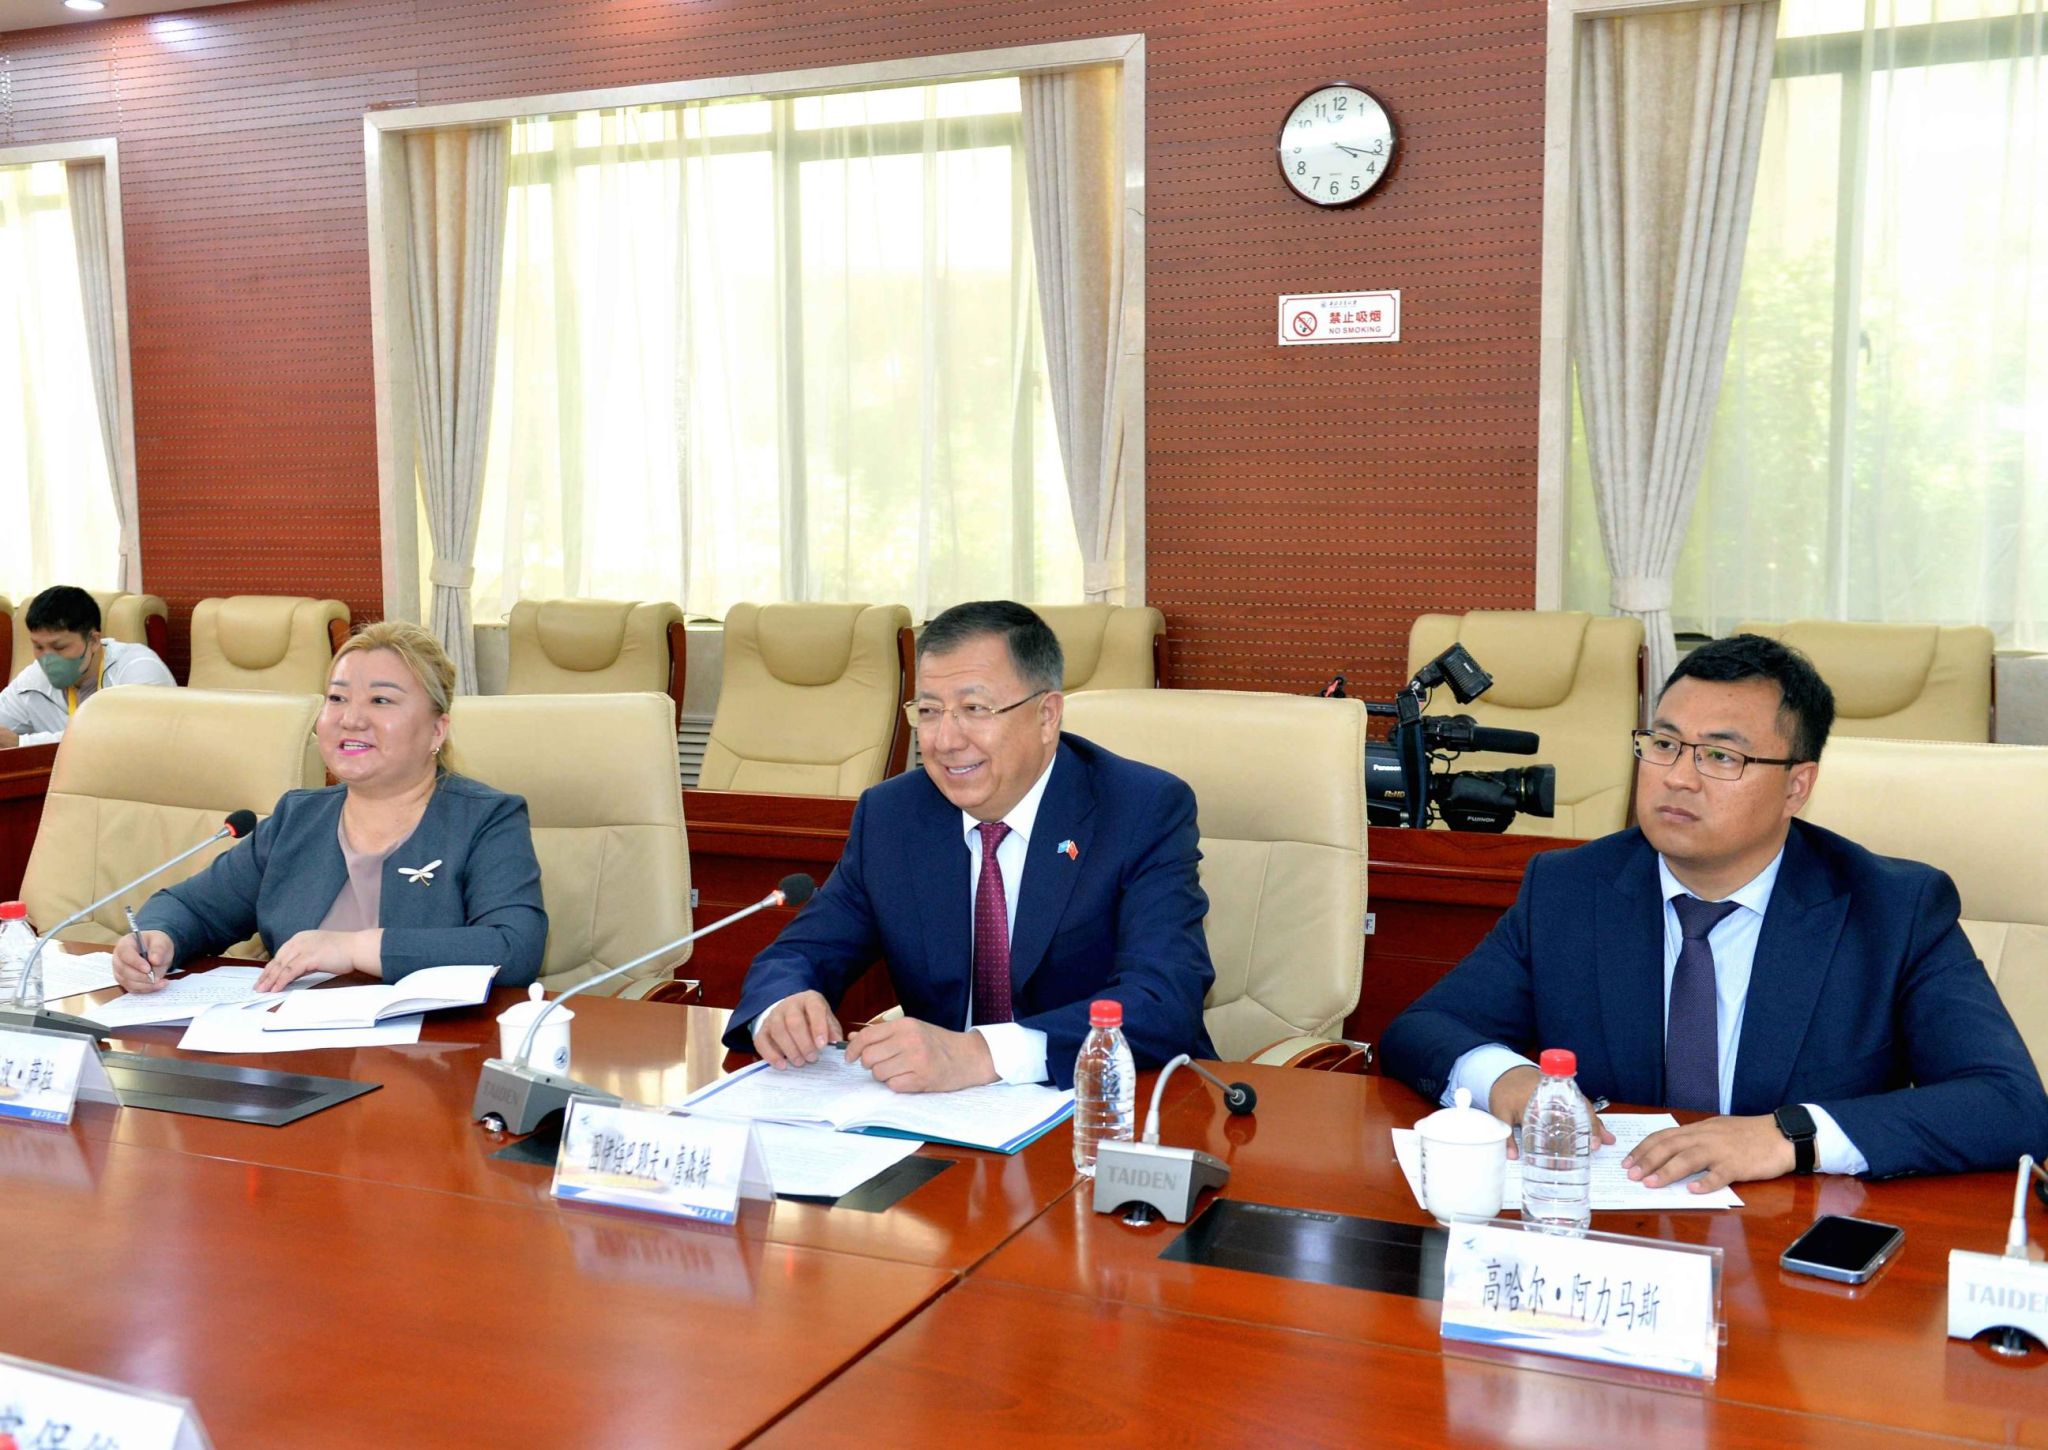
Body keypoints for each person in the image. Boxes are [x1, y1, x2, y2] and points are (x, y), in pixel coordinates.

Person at [1381, 633, 2048, 1185]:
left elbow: (2011, 1104)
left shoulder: (1892, 911)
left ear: (1797, 787)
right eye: (1664, 744)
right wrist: (1509, 1079)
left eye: (1721, 756)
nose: (1677, 776)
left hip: (1795, 1243)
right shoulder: (1571, 888)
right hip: (1620, 1226)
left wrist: (1791, 1137)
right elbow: (1424, 1027)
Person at [725, 600, 1216, 1093]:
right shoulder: (894, 816)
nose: (945, 740)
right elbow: (799, 953)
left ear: (1047, 715)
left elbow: (1164, 999)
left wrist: (983, 1053)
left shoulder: (1139, 810)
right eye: (929, 711)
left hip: (1111, 1102)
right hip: (942, 1114)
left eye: (974, 709)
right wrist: (784, 1004)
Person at [113, 620, 547, 992]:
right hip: (293, 1046)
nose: (350, 719)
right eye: (337, 698)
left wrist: (354, 947)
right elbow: (193, 908)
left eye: (381, 700)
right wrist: (159, 938)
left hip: (431, 1051)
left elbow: (515, 948)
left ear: (437, 730)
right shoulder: (298, 818)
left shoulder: (486, 819)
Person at [0, 585, 176, 747]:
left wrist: (22, 743)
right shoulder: (34, 678)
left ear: (93, 641)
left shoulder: (139, 667)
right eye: (38, 647)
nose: (47, 659)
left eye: (59, 647)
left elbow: (126, 738)